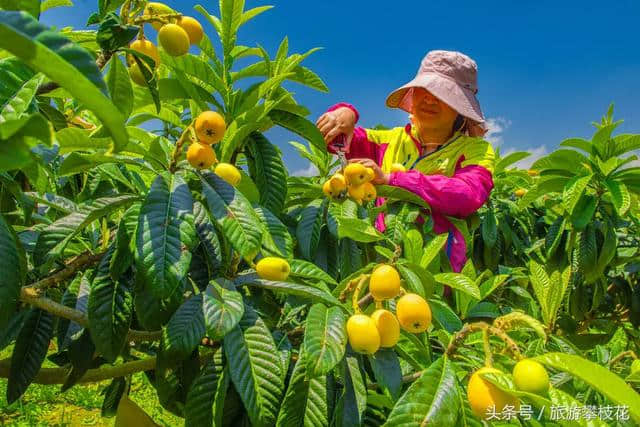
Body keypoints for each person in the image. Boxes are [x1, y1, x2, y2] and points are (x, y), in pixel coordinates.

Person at [315, 50, 495, 273]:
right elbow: (337, 141)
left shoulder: (476, 150)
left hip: (438, 272)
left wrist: (393, 180)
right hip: (381, 264)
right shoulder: (390, 140)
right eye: (424, 90)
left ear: (460, 105)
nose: (429, 99)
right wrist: (344, 114)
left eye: (442, 94)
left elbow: (467, 194)